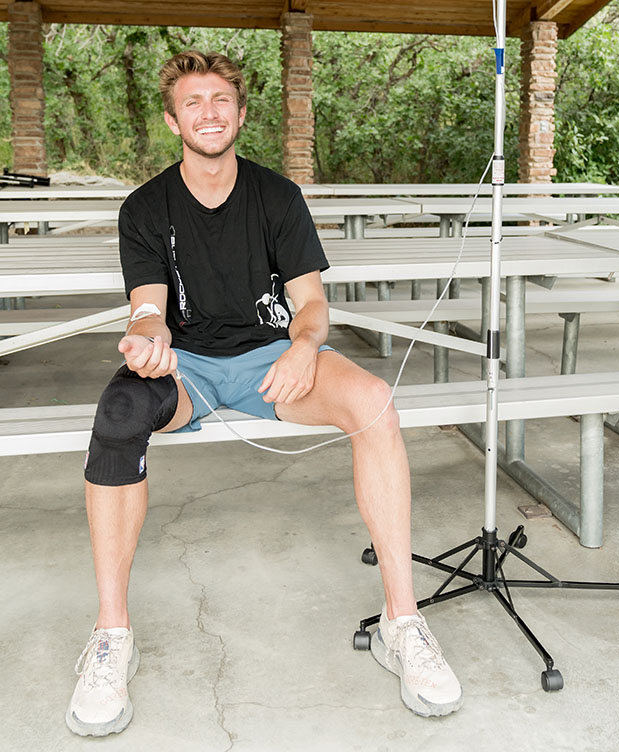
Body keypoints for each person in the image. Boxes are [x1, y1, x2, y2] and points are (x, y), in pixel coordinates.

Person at [65, 50, 463, 736]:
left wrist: (305, 348)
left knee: (373, 402)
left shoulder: (276, 195)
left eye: (220, 100)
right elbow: (147, 304)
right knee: (121, 411)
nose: (208, 112)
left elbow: (310, 305)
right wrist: (147, 336)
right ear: (172, 120)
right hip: (184, 367)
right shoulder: (145, 206)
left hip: (271, 362)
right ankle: (111, 636)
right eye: (193, 102)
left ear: (240, 114)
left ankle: (404, 623)